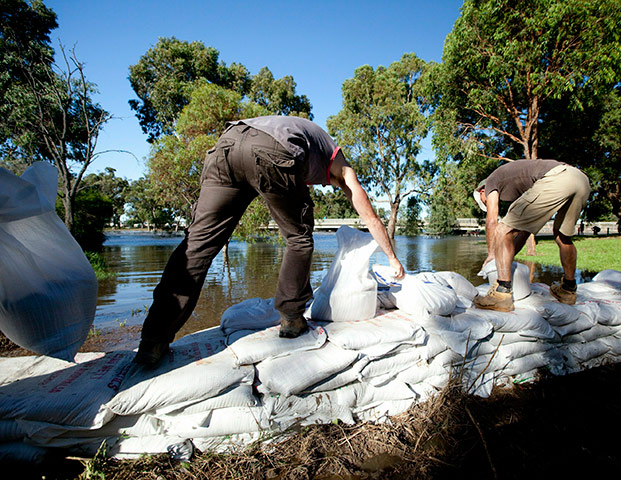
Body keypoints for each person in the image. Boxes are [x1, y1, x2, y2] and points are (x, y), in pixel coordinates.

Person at [134, 115, 405, 365]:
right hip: (270, 150)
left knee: (196, 247)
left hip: (226, 146)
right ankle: (291, 318)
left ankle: (153, 341)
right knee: (299, 237)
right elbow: (370, 217)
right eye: (329, 182)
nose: (325, 185)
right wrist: (392, 258)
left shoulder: (309, 143)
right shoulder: (343, 166)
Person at [472, 159, 590, 311]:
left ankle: (501, 295)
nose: (487, 203)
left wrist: (491, 254)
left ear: (482, 191)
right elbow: (524, 230)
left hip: (558, 177)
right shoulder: (520, 185)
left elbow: (492, 221)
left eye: (484, 202)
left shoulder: (490, 182)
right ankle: (568, 289)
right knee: (562, 236)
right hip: (580, 179)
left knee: (502, 229)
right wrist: (507, 255)